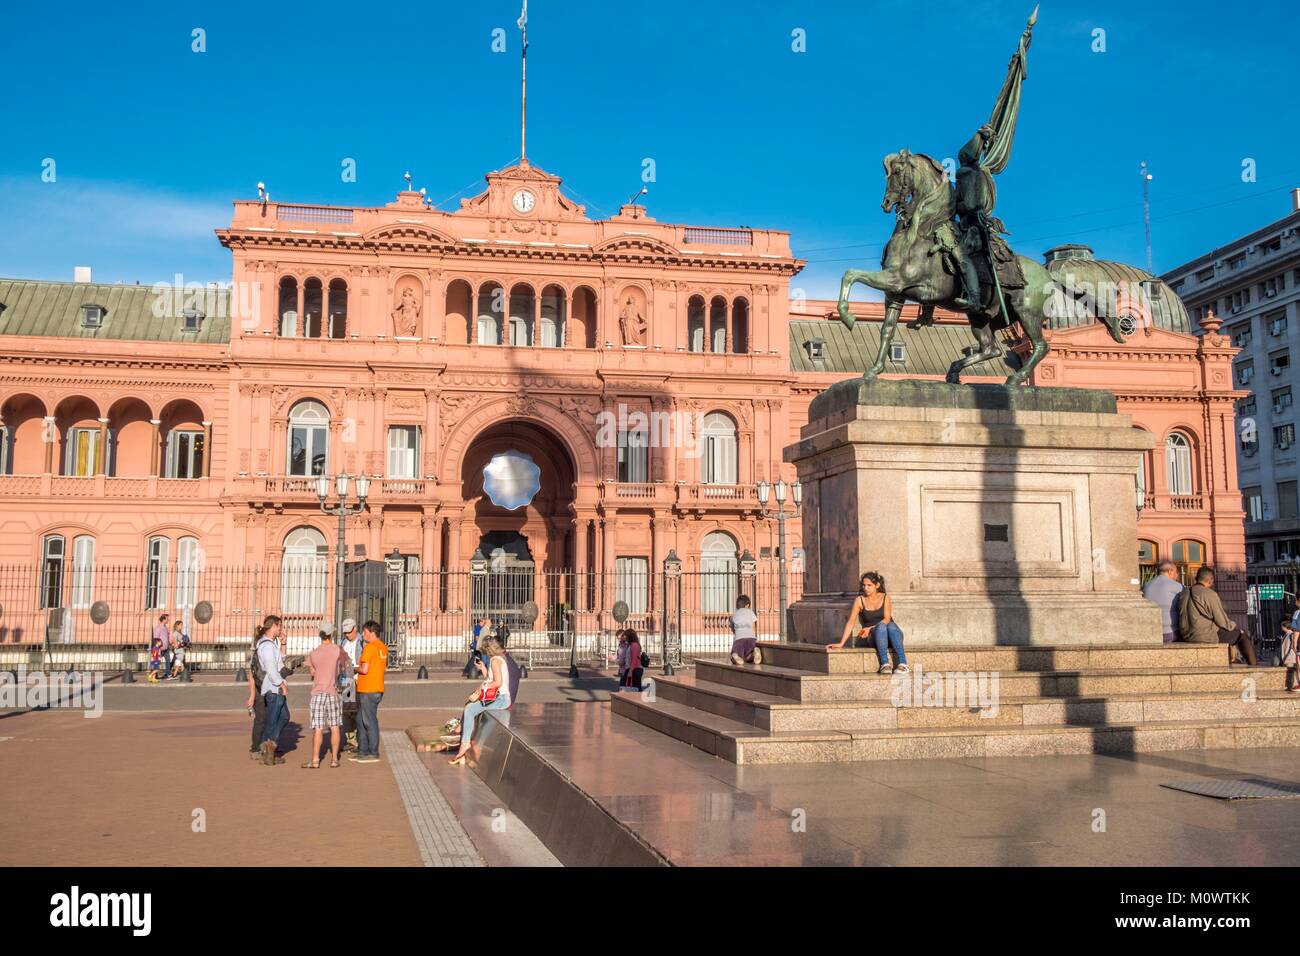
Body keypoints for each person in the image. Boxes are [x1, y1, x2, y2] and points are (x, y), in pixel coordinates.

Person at [826, 571, 910, 675]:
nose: (865, 588)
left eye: (869, 585)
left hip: (892, 636)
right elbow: (851, 622)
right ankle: (885, 664)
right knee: (881, 628)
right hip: (875, 637)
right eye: (864, 585)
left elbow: (887, 619)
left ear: (877, 585)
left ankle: (903, 664)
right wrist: (841, 643)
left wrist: (869, 628)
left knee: (891, 625)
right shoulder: (860, 600)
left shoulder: (885, 597)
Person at [449, 635, 511, 766]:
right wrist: (483, 668)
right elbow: (491, 678)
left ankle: (465, 744)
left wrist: (482, 687)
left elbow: (498, 683)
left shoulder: (495, 661)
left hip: (500, 699)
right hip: (498, 697)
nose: (484, 654)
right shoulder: (498, 659)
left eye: (485, 651)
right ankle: (467, 740)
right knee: (470, 705)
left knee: (469, 709)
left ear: (489, 650)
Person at [1178, 566, 1257, 666]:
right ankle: (1254, 667)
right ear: (1210, 580)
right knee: (1242, 635)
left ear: (1197, 578)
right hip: (1204, 636)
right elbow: (1222, 621)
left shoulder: (1184, 593)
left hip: (1185, 635)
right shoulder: (1209, 594)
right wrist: (1233, 625)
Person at [246, 615, 292, 761]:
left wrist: (283, 644)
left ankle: (270, 745)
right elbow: (272, 670)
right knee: (271, 721)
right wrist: (281, 684)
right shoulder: (267, 646)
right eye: (280, 626)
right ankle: (266, 751)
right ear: (274, 626)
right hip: (273, 688)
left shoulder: (269, 644)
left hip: (273, 687)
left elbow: (279, 662)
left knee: (284, 717)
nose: (281, 629)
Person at [304, 622, 346, 768]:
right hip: (333, 692)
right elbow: (344, 668)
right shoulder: (338, 650)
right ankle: (334, 759)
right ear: (331, 634)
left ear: (320, 635)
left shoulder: (313, 653)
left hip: (317, 693)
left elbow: (312, 672)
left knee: (318, 728)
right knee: (335, 726)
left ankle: (315, 760)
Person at [350, 620, 388, 763]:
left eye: (365, 632)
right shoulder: (382, 647)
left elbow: (364, 669)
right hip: (376, 688)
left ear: (372, 633)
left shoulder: (370, 648)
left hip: (368, 689)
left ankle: (373, 752)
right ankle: (362, 750)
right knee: (361, 720)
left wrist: (354, 668)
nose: (363, 634)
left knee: (368, 720)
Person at [1142, 560, 1185, 644]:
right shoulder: (1177, 586)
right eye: (1176, 572)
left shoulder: (1146, 585)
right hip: (1170, 632)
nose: (1177, 575)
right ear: (1170, 571)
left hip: (1151, 631)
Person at [338, 618, 362, 751]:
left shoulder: (362, 642)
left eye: (349, 631)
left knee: (358, 711)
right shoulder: (343, 643)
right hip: (346, 681)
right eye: (345, 632)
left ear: (355, 628)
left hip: (359, 680)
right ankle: (351, 740)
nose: (347, 634)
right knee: (347, 712)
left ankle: (360, 738)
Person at [728, 595, 762, 666]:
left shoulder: (734, 616)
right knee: (748, 657)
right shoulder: (751, 612)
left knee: (737, 655)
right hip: (751, 638)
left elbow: (732, 628)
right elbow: (753, 626)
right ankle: (754, 653)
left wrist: (736, 633)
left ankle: (735, 655)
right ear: (747, 605)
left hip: (739, 639)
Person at [153, 613, 173, 680]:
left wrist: (169, 644)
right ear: (163, 619)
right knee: (157, 662)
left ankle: (168, 674)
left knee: (168, 661)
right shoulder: (158, 628)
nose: (168, 620)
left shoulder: (165, 628)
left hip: (166, 648)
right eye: (167, 619)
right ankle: (155, 675)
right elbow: (156, 638)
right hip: (160, 648)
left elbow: (167, 637)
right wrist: (158, 646)